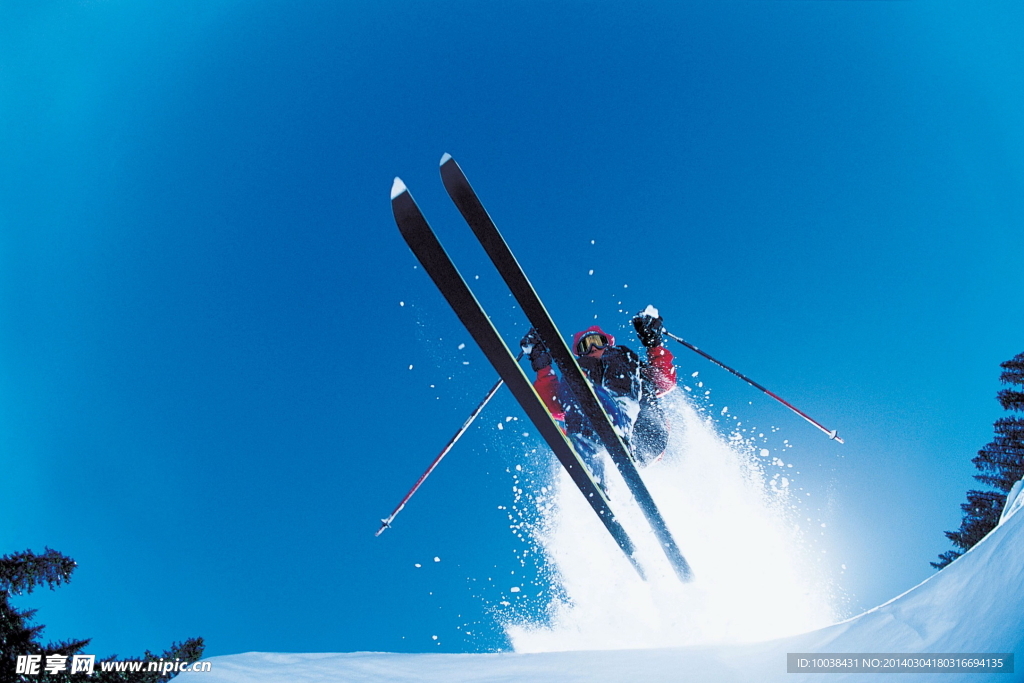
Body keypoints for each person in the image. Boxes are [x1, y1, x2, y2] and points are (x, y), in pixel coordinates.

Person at [520, 307, 677, 483]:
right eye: (585, 345)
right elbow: (554, 405)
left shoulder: (623, 359)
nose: (593, 348)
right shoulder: (581, 370)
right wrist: (542, 366)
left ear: (606, 342)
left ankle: (621, 420)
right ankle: (588, 453)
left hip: (646, 434)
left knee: (616, 356)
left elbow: (664, 381)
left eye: (597, 341)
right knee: (573, 375)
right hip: (603, 443)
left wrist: (653, 343)